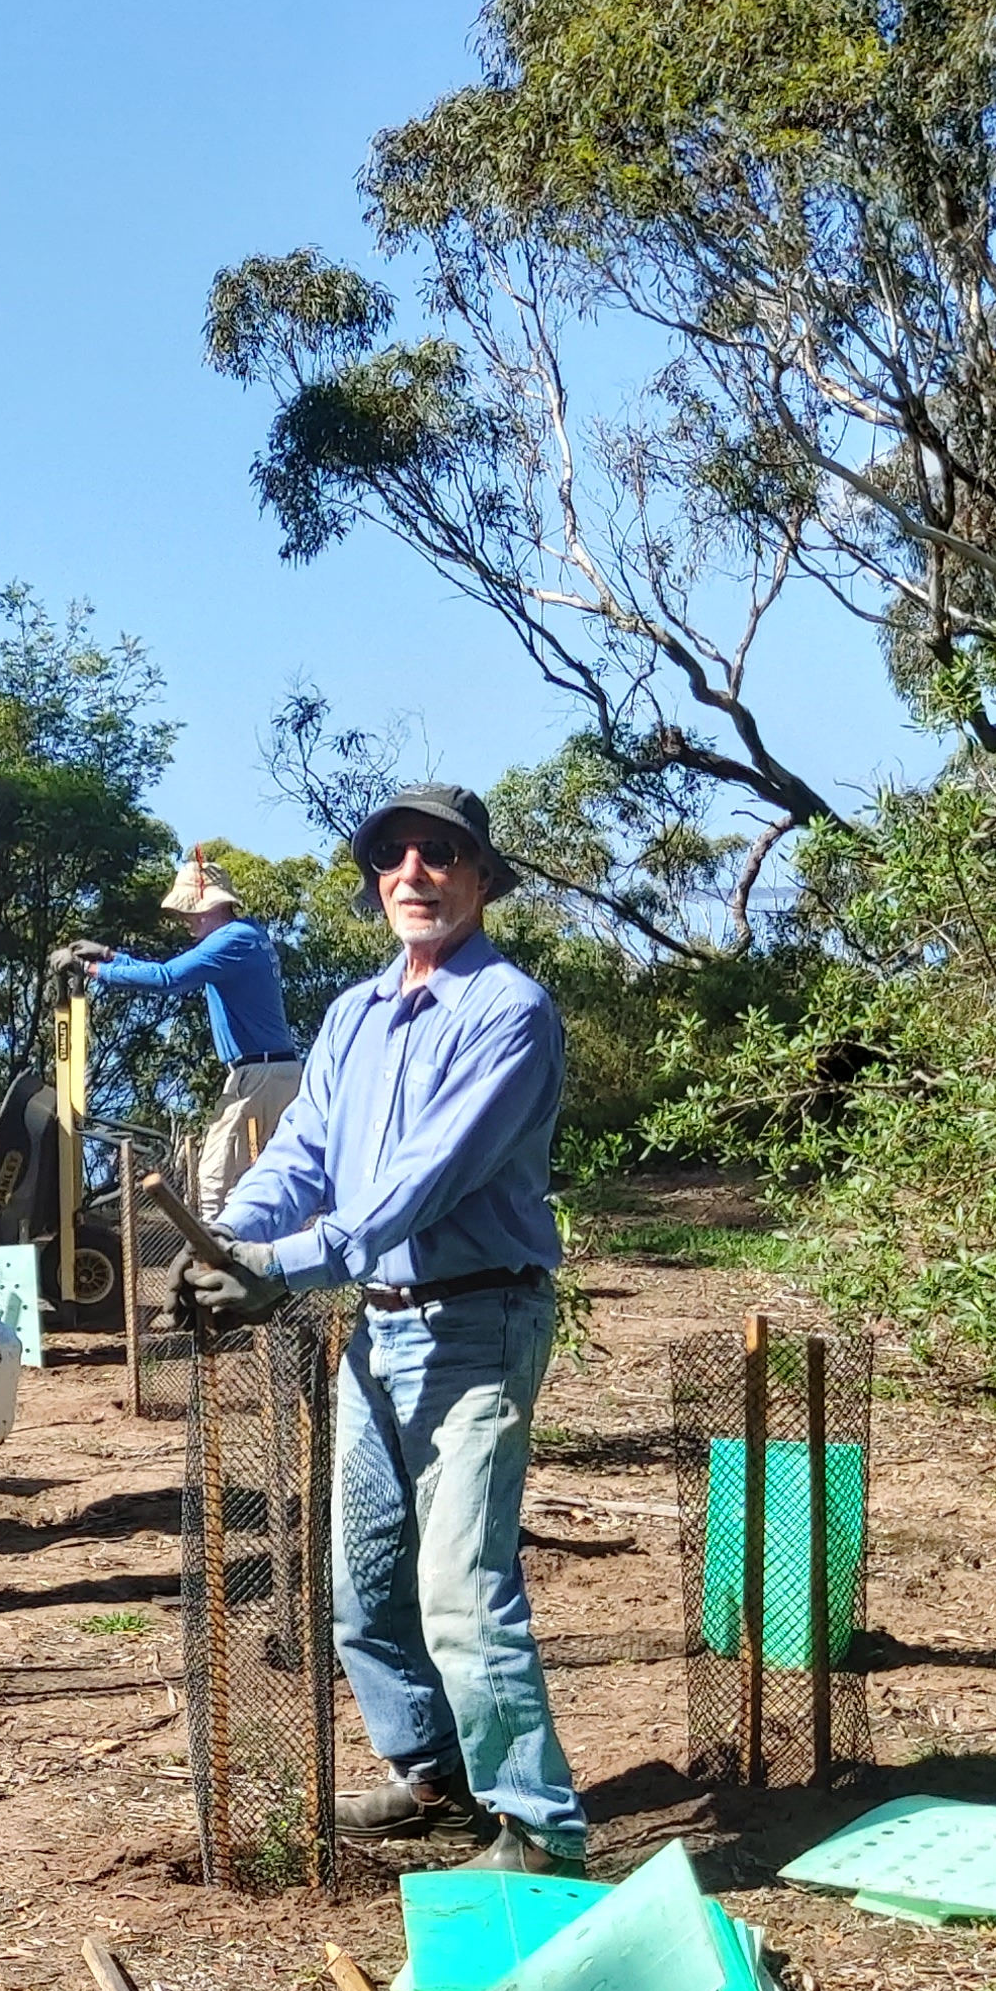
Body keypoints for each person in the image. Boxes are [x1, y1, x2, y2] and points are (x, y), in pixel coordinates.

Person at [178, 783, 585, 1875]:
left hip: (476, 1324)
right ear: (376, 880)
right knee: (364, 1575)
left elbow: (419, 1186)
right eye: (395, 855)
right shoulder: (355, 1014)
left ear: (483, 878)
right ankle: (435, 1777)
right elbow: (305, 1150)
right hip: (378, 1328)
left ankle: (540, 1829)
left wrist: (279, 1268)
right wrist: (225, 1239)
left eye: (441, 855)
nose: (415, 872)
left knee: (461, 1586)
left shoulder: (509, 1013)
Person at [57, 852, 300, 1223]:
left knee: (213, 1178)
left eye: (187, 912)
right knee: (243, 1180)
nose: (183, 921)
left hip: (258, 1074)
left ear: (206, 908)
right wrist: (110, 956)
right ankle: (250, 1253)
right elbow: (167, 973)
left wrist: (93, 969)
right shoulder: (247, 935)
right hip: (268, 1070)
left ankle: (218, 1260)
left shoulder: (233, 941)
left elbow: (167, 979)